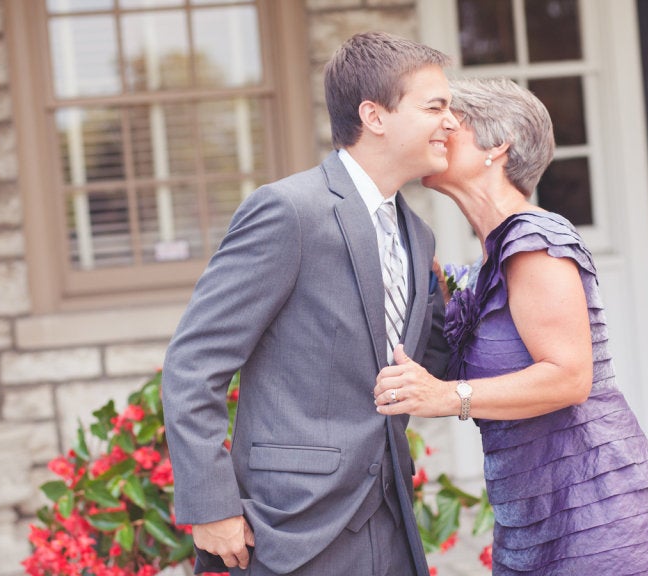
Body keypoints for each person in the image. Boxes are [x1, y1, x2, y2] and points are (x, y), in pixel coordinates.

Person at [162, 31, 459, 576]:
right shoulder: (288, 211)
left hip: (389, 521)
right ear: (375, 115)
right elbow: (193, 364)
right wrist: (212, 507)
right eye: (435, 106)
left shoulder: (418, 235)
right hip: (287, 527)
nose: (451, 122)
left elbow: (429, 365)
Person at [374, 77, 648, 574]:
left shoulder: (536, 239)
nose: (437, 131)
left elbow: (568, 377)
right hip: (530, 522)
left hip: (601, 516)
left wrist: (443, 397)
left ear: (497, 146)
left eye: (452, 122)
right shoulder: (480, 269)